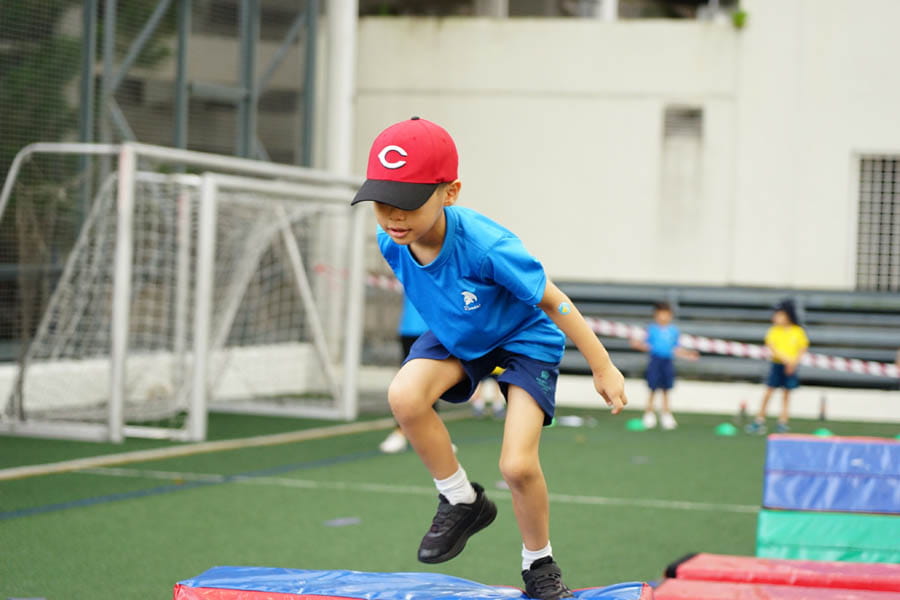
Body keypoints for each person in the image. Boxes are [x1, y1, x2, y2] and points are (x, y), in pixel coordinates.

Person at [351, 117, 628, 600]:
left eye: (408, 203)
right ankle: (461, 499)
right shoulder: (390, 241)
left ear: (450, 192)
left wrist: (603, 365)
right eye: (381, 203)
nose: (394, 216)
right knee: (404, 395)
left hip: (523, 336)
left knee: (517, 466)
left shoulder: (487, 245)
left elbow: (553, 301)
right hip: (461, 335)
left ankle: (538, 562)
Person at [629, 302, 699, 430]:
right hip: (655, 361)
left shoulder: (673, 331)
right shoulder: (651, 330)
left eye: (666, 314)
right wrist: (637, 344)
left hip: (667, 362)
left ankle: (666, 414)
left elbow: (676, 348)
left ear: (670, 316)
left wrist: (688, 354)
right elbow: (645, 345)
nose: (663, 317)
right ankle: (649, 414)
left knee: (666, 389)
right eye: (660, 314)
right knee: (652, 389)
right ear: (655, 315)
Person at [746, 300, 809, 434]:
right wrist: (786, 360)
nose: (775, 318)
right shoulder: (774, 331)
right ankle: (759, 420)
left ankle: (783, 422)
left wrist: (793, 363)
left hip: (791, 366)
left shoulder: (798, 331)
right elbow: (772, 347)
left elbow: (802, 348)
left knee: (786, 394)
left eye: (779, 315)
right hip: (777, 364)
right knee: (769, 392)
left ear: (788, 315)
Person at [379, 294, 429, 454]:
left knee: (430, 385)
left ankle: (430, 435)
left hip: (436, 329)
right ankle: (400, 432)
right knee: (407, 384)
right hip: (410, 329)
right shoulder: (409, 268)